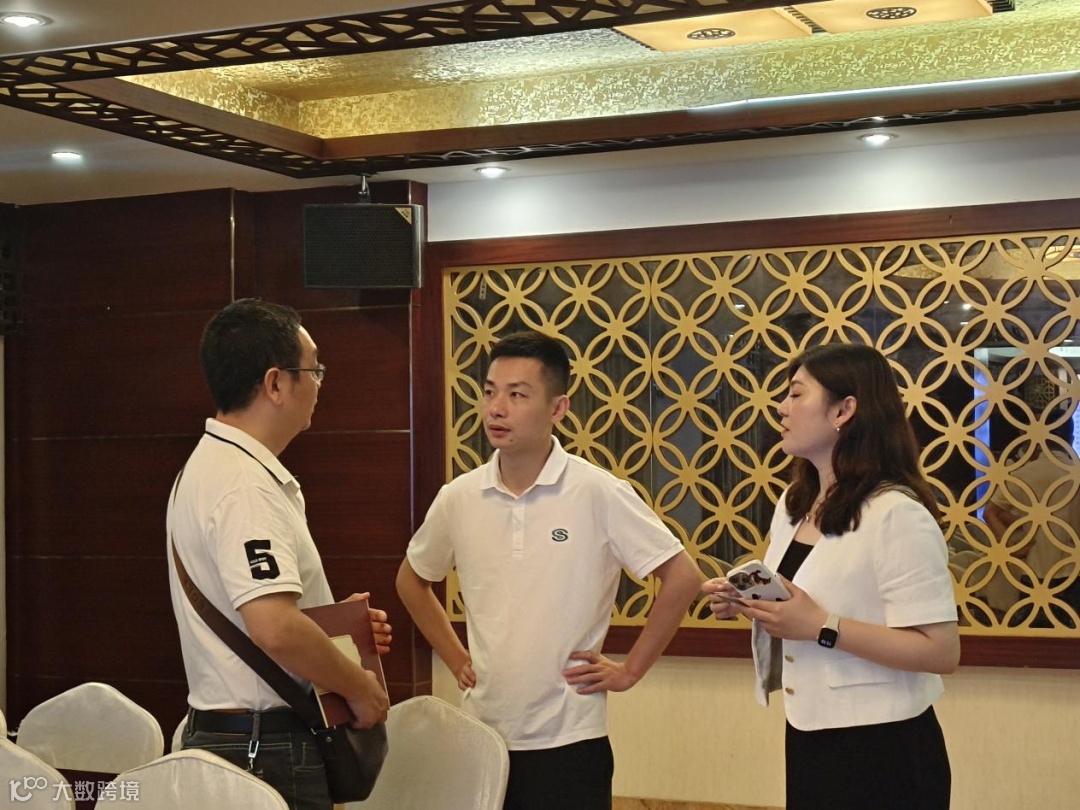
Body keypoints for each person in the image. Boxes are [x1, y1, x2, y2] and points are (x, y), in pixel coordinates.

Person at [396, 330, 703, 810]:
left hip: (570, 739)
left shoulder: (597, 491)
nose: (496, 409)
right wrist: (455, 657)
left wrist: (630, 670)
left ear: (558, 409)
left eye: (517, 395)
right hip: (480, 734)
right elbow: (412, 580)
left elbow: (683, 577)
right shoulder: (459, 497)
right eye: (490, 392)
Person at [705, 343, 960, 810]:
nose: (781, 408)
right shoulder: (793, 505)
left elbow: (940, 651)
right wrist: (749, 602)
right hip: (809, 732)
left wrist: (822, 627)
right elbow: (799, 606)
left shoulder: (896, 513)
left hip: (885, 746)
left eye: (796, 394)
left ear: (844, 410)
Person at [167, 298, 390, 810]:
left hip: (234, 738)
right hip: (264, 748)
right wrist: (360, 688)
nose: (319, 384)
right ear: (275, 384)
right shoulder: (244, 485)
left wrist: (334, 623)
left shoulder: (210, 466)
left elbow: (258, 613)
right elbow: (274, 629)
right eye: (314, 370)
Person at [984, 416, 1080, 627]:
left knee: (1032, 634)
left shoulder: (1023, 473)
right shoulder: (1076, 472)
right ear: (1070, 438)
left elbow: (990, 513)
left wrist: (1014, 547)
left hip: (1033, 571)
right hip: (1073, 571)